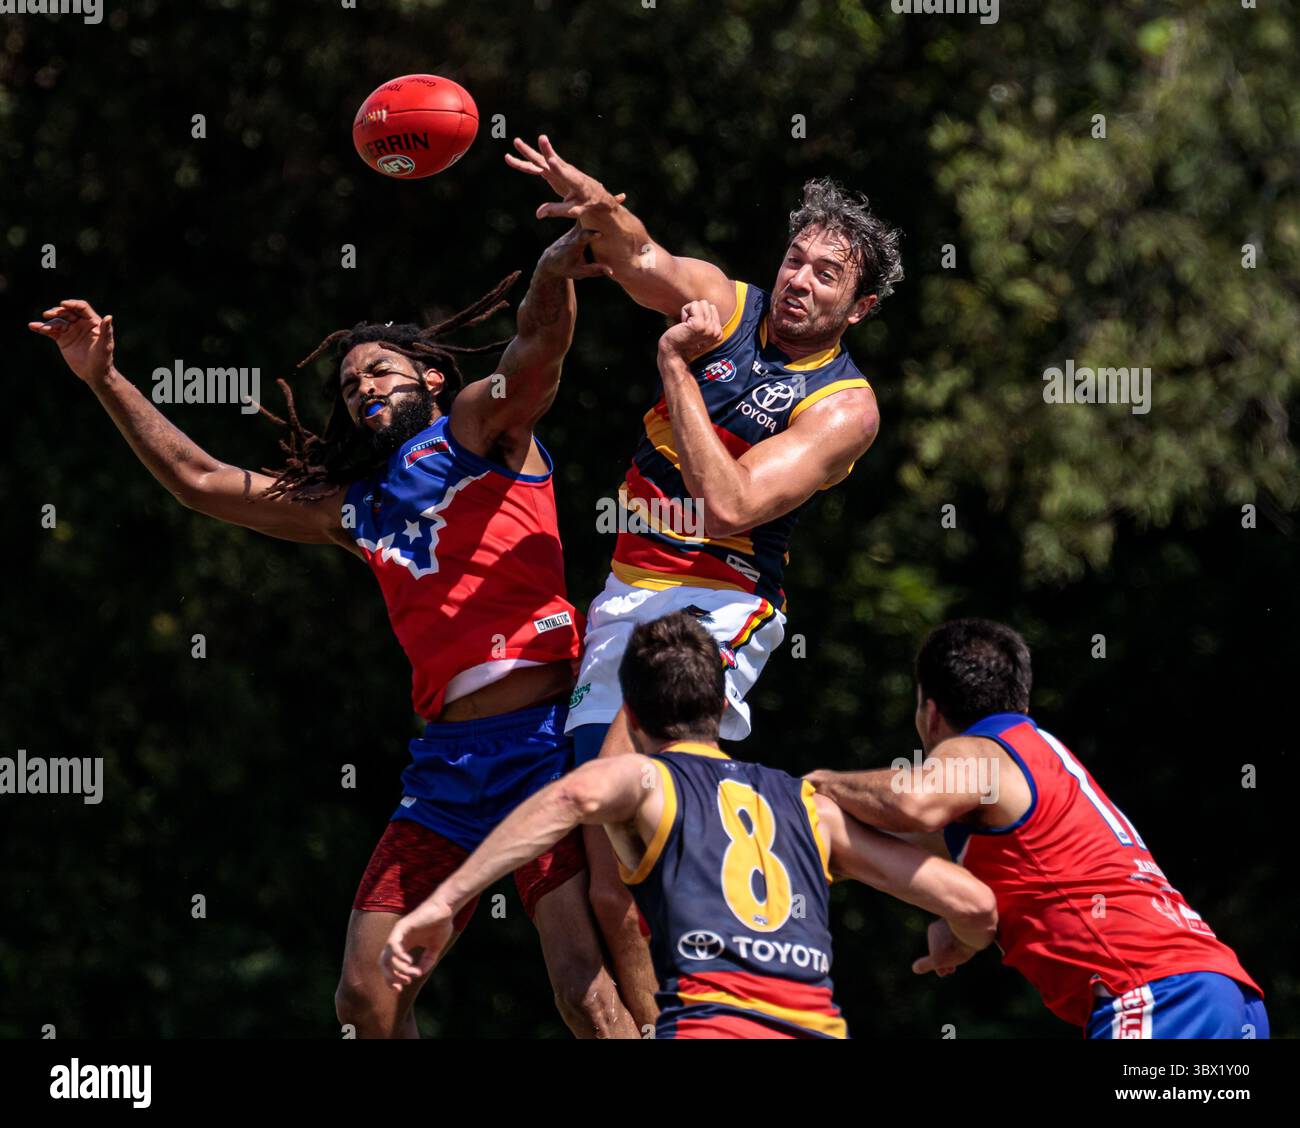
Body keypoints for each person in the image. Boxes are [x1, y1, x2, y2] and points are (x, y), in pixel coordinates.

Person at [28, 225, 639, 1038]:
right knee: (365, 1000)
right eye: (349, 385)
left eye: (378, 369)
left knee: (581, 989)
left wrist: (556, 268)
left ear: (430, 374)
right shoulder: (352, 505)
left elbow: (539, 347)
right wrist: (105, 378)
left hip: (543, 743)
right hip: (447, 772)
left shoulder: (477, 431)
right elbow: (202, 481)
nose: (361, 388)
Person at [507, 134, 904, 1022]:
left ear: (860, 306)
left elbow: (728, 507)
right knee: (607, 872)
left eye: (826, 276)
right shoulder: (727, 301)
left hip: (718, 604)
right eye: (796, 260)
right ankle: (664, 1023)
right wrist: (599, 209)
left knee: (629, 809)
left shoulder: (844, 405)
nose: (799, 281)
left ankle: (696, 1017)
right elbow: (643, 257)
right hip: (627, 596)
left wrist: (675, 367)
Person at [381, 612, 998, 1039]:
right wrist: (958, 939)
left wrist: (445, 900)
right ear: (721, 708)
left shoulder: (652, 786)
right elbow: (973, 903)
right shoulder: (811, 807)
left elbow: (569, 798)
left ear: (635, 720)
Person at [807, 618, 1268, 1039]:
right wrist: (960, 936)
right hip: (1226, 994)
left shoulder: (981, 750)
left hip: (1159, 996)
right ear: (1021, 697)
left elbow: (911, 803)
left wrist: (817, 784)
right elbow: (911, 844)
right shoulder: (1038, 760)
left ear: (930, 713)